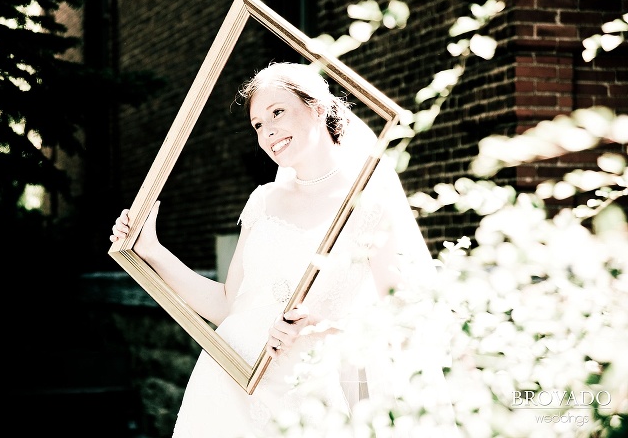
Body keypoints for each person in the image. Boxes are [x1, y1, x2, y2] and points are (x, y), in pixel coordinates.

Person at [110, 62, 435, 437]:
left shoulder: (368, 204)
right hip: (230, 376)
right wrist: (149, 249)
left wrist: (324, 329)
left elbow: (406, 313)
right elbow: (228, 304)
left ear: (316, 107)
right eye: (258, 125)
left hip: (308, 391)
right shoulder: (263, 200)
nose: (268, 132)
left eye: (277, 112)